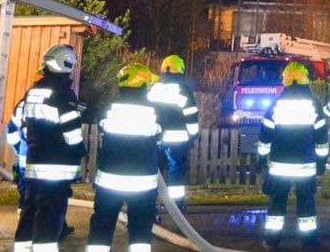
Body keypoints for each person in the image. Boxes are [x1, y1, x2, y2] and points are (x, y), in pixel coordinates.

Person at [13, 44, 85, 252]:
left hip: (35, 161)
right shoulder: (64, 93)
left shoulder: (34, 91)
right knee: (51, 211)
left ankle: (23, 247)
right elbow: (70, 130)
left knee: (30, 208)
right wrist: (79, 150)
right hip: (56, 164)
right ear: (66, 63)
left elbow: (27, 124)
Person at [85, 63, 163, 252]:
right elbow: (160, 139)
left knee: (102, 224)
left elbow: (103, 128)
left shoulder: (107, 108)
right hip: (142, 182)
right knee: (140, 229)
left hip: (110, 181)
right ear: (144, 85)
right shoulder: (155, 111)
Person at [257, 62, 329, 249]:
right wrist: (321, 164)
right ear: (306, 80)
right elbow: (322, 140)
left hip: (279, 166)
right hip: (305, 166)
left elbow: (265, 137)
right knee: (306, 204)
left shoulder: (275, 105)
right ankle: (309, 243)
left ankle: (271, 241)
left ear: (285, 81)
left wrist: (261, 159)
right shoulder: (314, 105)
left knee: (276, 204)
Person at [147, 54, 199, 210]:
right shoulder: (183, 90)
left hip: (155, 140)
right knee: (175, 175)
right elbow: (191, 115)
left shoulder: (155, 89)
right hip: (177, 142)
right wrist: (193, 135)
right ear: (181, 71)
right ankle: (175, 207)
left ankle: (149, 204)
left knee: (153, 174)